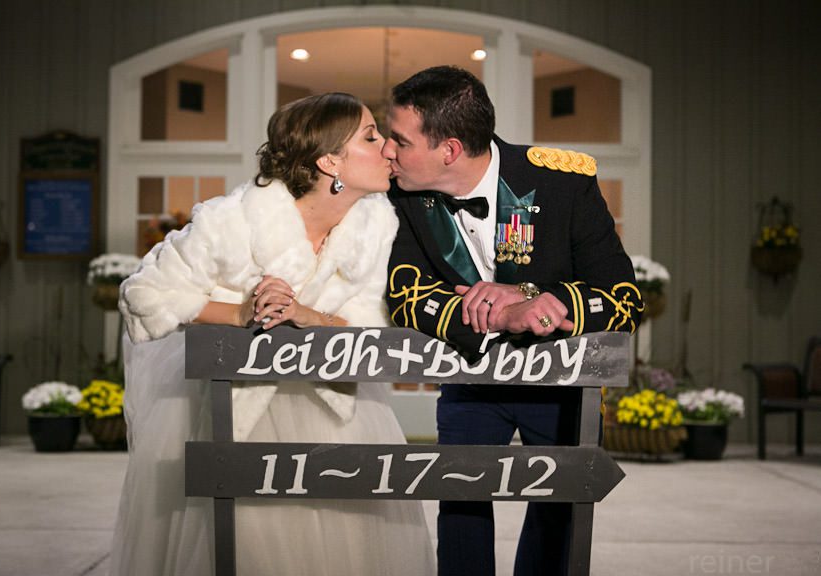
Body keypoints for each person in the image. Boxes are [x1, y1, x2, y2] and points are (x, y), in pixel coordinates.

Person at [109, 93, 435, 576]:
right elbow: (145, 295)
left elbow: (374, 321)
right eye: (370, 136)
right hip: (233, 409)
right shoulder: (231, 219)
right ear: (330, 161)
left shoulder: (378, 225)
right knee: (251, 547)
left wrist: (310, 315)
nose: (388, 147)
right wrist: (241, 311)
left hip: (337, 409)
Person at [383, 66, 642, 576]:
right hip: (469, 377)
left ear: (449, 149)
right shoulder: (401, 197)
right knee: (459, 509)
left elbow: (623, 298)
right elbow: (406, 294)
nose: (388, 152)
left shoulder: (564, 182)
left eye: (399, 139)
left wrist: (536, 300)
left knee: (556, 518)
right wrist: (501, 312)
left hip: (560, 382)